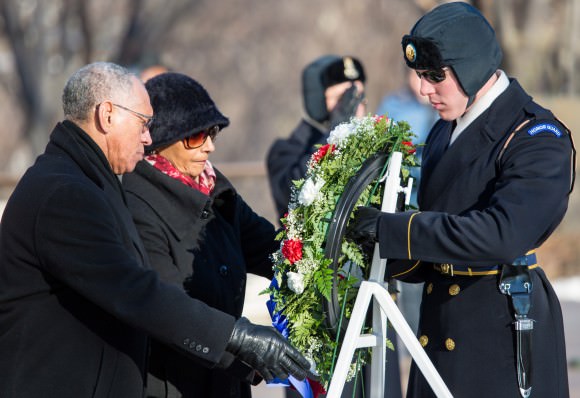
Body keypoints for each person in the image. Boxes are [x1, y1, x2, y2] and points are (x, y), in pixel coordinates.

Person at [0, 62, 310, 398]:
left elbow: (269, 246)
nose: (149, 137)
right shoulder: (66, 193)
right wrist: (237, 337)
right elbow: (136, 290)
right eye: (143, 124)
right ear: (107, 116)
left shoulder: (87, 181)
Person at [347, 2, 574, 397]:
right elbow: (434, 235)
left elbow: (502, 233)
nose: (423, 89)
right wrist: (366, 245)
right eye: (420, 76)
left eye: (436, 76)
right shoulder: (443, 131)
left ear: (471, 67)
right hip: (438, 329)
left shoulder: (537, 135)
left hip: (500, 336)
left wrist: (394, 230)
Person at [122, 72, 280, 398]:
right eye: (195, 136)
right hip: (171, 386)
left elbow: (272, 249)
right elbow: (167, 308)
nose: (208, 146)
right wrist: (243, 346)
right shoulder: (137, 207)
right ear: (162, 142)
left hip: (226, 385)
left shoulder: (215, 189)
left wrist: (328, 239)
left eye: (213, 132)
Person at [267, 55, 367, 221]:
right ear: (320, 100)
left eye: (359, 97)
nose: (355, 107)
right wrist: (337, 131)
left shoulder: (368, 145)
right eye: (344, 99)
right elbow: (295, 193)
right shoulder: (285, 150)